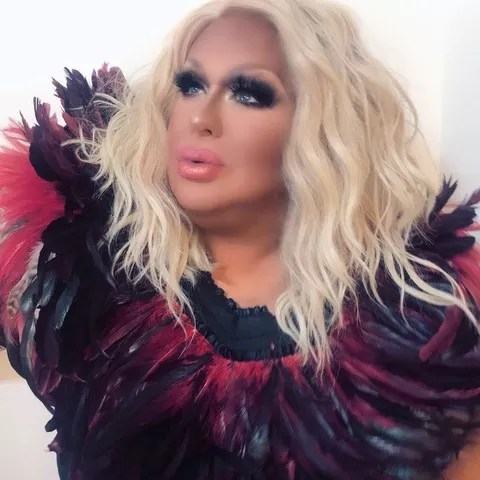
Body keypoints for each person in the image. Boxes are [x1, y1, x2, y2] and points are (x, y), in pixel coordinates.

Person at [0, 0, 479, 478]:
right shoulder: (86, 280)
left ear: (321, 128)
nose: (200, 117)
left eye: (249, 94)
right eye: (190, 86)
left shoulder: (420, 326)